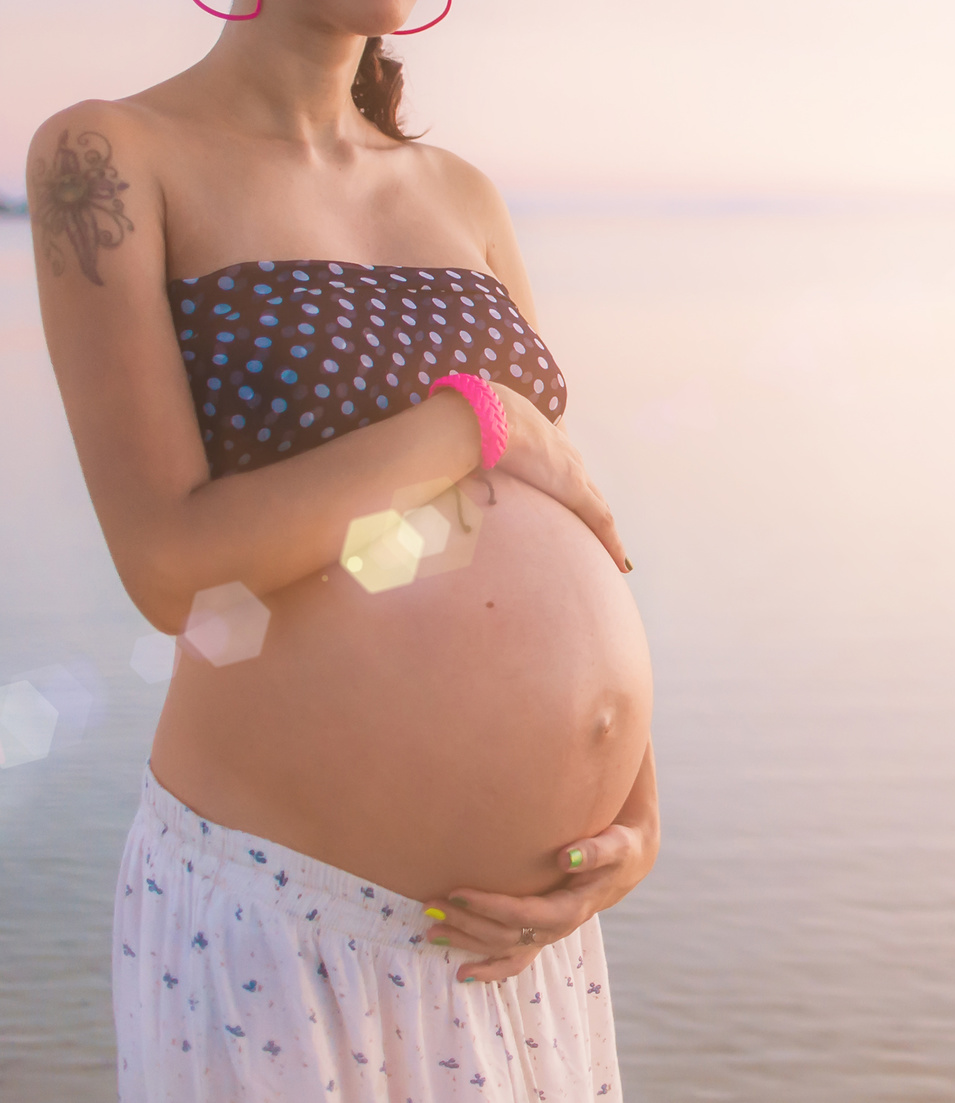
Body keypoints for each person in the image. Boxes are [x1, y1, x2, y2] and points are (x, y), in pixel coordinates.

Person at [28, 2, 658, 1099]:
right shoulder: (110, 153)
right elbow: (171, 570)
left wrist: (633, 813)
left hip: (513, 943)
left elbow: (548, 510)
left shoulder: (462, 193)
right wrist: (472, 416)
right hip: (290, 921)